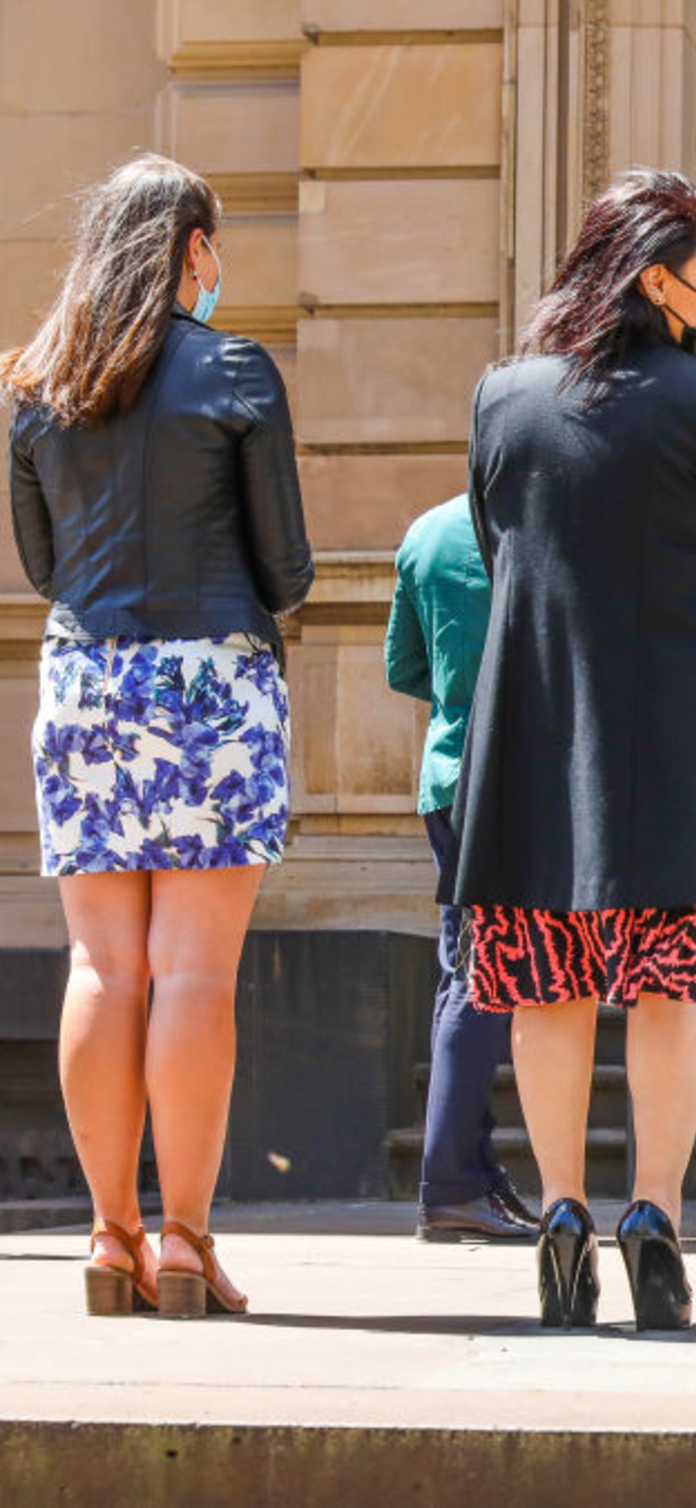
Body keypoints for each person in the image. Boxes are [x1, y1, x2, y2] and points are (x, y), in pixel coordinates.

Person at [448, 169, 696, 1329]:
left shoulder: (503, 397)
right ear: (657, 281)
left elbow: (502, 553)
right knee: (666, 979)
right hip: (667, 737)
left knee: (546, 983)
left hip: (533, 733)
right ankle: (654, 1213)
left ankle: (560, 1214)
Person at [4, 154, 312, 1316]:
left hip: (87, 677)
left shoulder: (39, 382)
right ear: (194, 248)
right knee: (193, 970)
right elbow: (287, 570)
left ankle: (108, 1233)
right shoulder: (235, 371)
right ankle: (183, 1241)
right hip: (212, 679)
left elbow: (46, 567)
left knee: (100, 964)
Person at [385, 493, 537, 1243]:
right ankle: (450, 1183)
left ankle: (471, 1173)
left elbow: (402, 665)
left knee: (466, 969)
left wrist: (458, 691)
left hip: (448, 775)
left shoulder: (426, 530)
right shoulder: (543, 518)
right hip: (521, 773)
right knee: (483, 979)